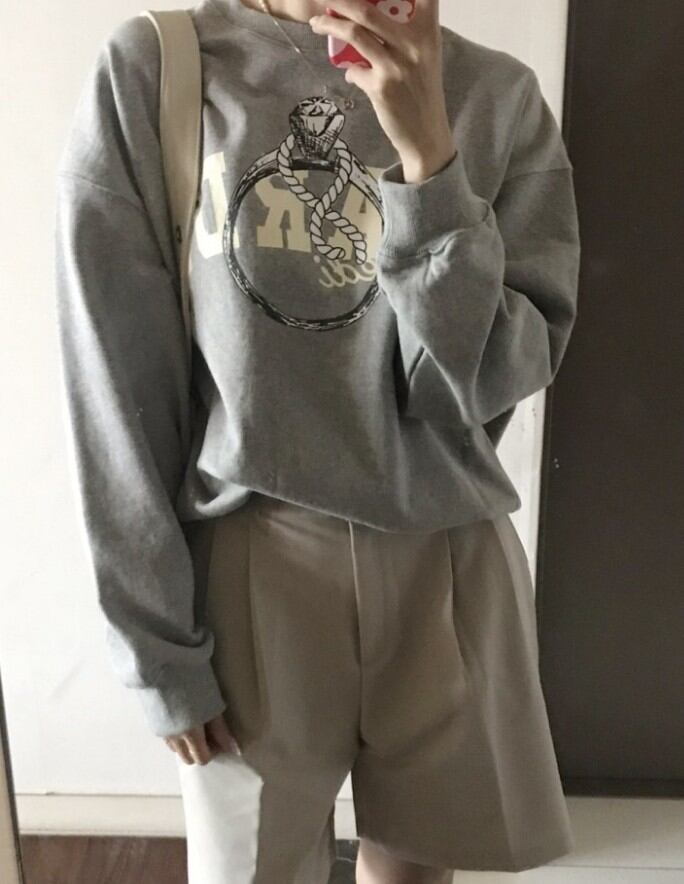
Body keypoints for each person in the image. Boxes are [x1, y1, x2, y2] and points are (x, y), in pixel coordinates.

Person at [53, 0, 581, 881]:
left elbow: (483, 381)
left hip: (446, 558)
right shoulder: (161, 69)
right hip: (255, 562)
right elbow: (114, 384)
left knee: (417, 870)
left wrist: (429, 159)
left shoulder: (497, 96)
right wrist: (155, 647)